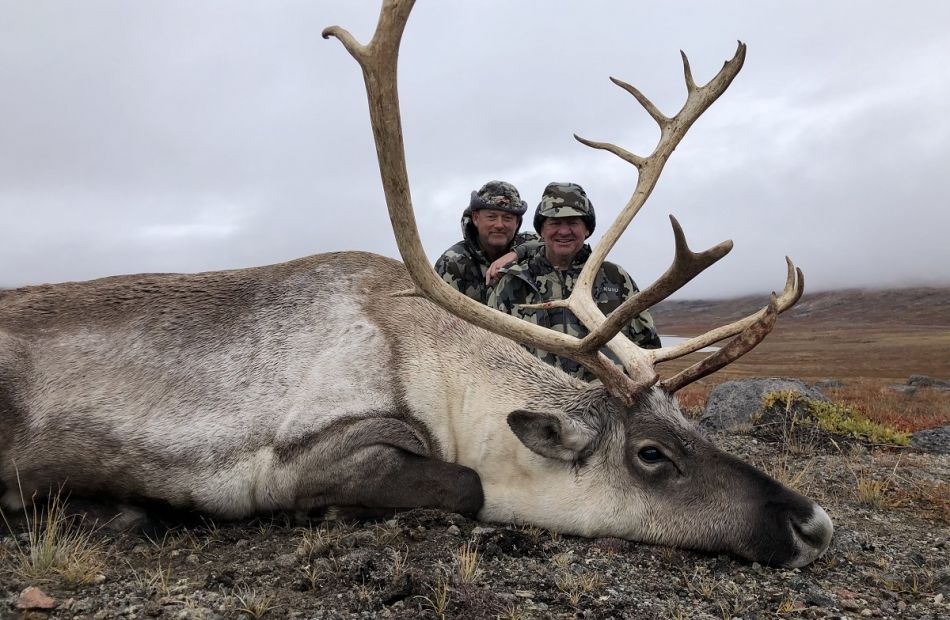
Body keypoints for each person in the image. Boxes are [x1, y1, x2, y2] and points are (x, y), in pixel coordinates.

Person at [489, 181, 661, 381]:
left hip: (606, 404)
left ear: (587, 229)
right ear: (541, 231)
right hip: (533, 404)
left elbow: (647, 347)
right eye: (554, 223)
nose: (564, 231)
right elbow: (492, 353)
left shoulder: (616, 278)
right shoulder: (513, 282)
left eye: (573, 222)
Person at [435, 181, 539, 304]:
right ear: (475, 218)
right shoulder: (452, 262)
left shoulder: (530, 243)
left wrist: (516, 253)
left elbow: (555, 244)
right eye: (491, 217)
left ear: (517, 223)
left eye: (507, 218)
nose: (499, 225)